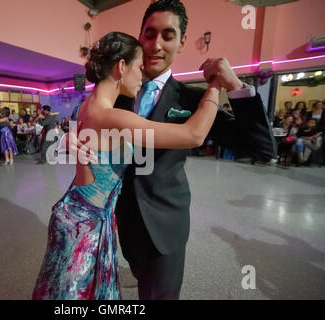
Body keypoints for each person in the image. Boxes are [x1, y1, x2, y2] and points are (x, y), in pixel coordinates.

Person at [65, 0, 276, 300]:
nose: (155, 45)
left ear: (182, 41)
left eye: (168, 35)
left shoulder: (193, 101)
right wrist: (73, 140)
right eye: (149, 34)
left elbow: (262, 148)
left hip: (164, 225)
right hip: (119, 222)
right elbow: (89, 131)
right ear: (139, 36)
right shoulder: (119, 92)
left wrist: (233, 84)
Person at [33, 30, 223, 300]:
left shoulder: (83, 108)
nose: (142, 75)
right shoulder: (115, 117)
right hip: (87, 224)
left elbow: (84, 173)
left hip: (75, 211)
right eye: (139, 67)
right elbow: (194, 135)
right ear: (122, 67)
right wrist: (215, 85)